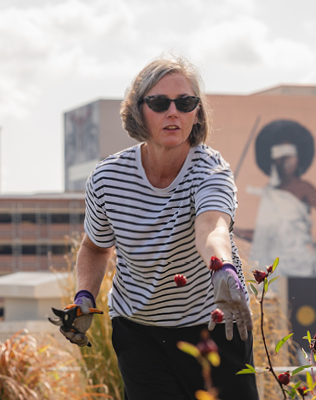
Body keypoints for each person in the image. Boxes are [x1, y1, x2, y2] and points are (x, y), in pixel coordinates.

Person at [63, 56, 259, 400]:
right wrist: (84, 297)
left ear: (196, 113)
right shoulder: (109, 178)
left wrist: (223, 267)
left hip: (214, 322)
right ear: (139, 111)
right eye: (159, 103)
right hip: (140, 333)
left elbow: (212, 227)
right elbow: (95, 247)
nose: (174, 112)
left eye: (185, 103)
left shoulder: (211, 169)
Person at [237, 119, 316, 276]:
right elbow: (262, 235)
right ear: (273, 161)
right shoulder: (269, 194)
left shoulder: (304, 188)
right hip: (273, 265)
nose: (286, 162)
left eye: (290, 156)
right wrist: (233, 229)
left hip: (301, 263)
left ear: (298, 157)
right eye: (280, 157)